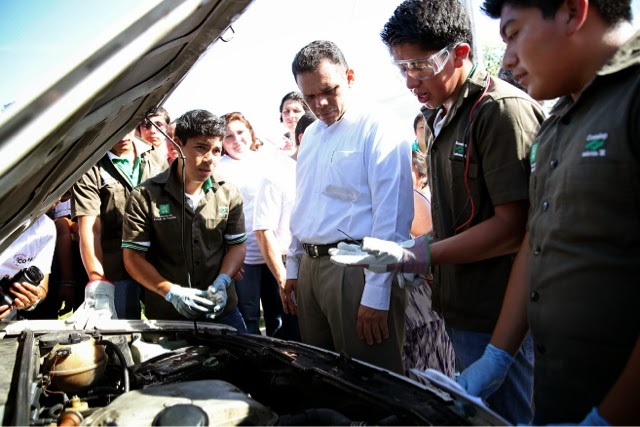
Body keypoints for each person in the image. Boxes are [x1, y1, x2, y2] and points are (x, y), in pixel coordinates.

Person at [331, 1, 545, 422]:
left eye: (420, 65)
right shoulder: (440, 118)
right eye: (402, 67)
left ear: (460, 54)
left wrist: (417, 255)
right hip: (461, 306)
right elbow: (458, 223)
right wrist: (410, 249)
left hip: (502, 315)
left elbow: (514, 230)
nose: (410, 80)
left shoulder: (499, 111)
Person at [456, 1, 640, 425]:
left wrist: (610, 418)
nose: (507, 59)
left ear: (574, 11)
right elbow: (536, 244)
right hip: (562, 393)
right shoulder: (556, 123)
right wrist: (496, 357)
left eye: (514, 33)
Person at [284, 40, 413, 374]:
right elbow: (305, 203)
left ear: (350, 76)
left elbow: (392, 217)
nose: (320, 103)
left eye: (328, 90)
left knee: (372, 384)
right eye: (309, 97)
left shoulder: (379, 127)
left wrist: (376, 292)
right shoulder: (311, 135)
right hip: (312, 272)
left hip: (356, 272)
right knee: (322, 380)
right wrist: (294, 267)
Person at [121, 109, 247, 330]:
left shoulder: (229, 194)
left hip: (222, 313)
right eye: (201, 148)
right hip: (167, 316)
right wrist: (169, 291)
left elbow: (237, 246)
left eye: (216, 150)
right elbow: (133, 257)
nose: (209, 159)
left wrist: (223, 280)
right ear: (177, 144)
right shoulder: (145, 196)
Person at [71, 129, 168, 321]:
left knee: (166, 329)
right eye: (117, 129)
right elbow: (91, 230)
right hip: (117, 267)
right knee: (120, 334)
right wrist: (98, 280)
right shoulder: (90, 166)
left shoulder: (153, 155)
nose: (123, 136)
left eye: (129, 129)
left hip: (158, 262)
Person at [216, 112, 286, 336]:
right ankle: (256, 365)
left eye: (240, 132)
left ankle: (283, 362)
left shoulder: (267, 161)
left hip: (274, 252)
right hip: (244, 256)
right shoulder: (218, 168)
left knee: (279, 313)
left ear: (250, 132)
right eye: (228, 136)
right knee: (249, 315)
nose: (236, 139)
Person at [403, 149, 455, 379]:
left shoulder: (413, 200)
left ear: (420, 175)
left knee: (430, 384)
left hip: (425, 314)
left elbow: (434, 262)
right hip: (404, 315)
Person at [0, 215, 55, 321]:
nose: (61, 200)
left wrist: (30, 300)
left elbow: (41, 287)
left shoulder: (45, 226)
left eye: (66, 197)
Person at [278, 91, 310, 157]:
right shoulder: (278, 144)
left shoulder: (313, 143)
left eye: (296, 111)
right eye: (286, 111)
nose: (290, 115)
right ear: (281, 115)